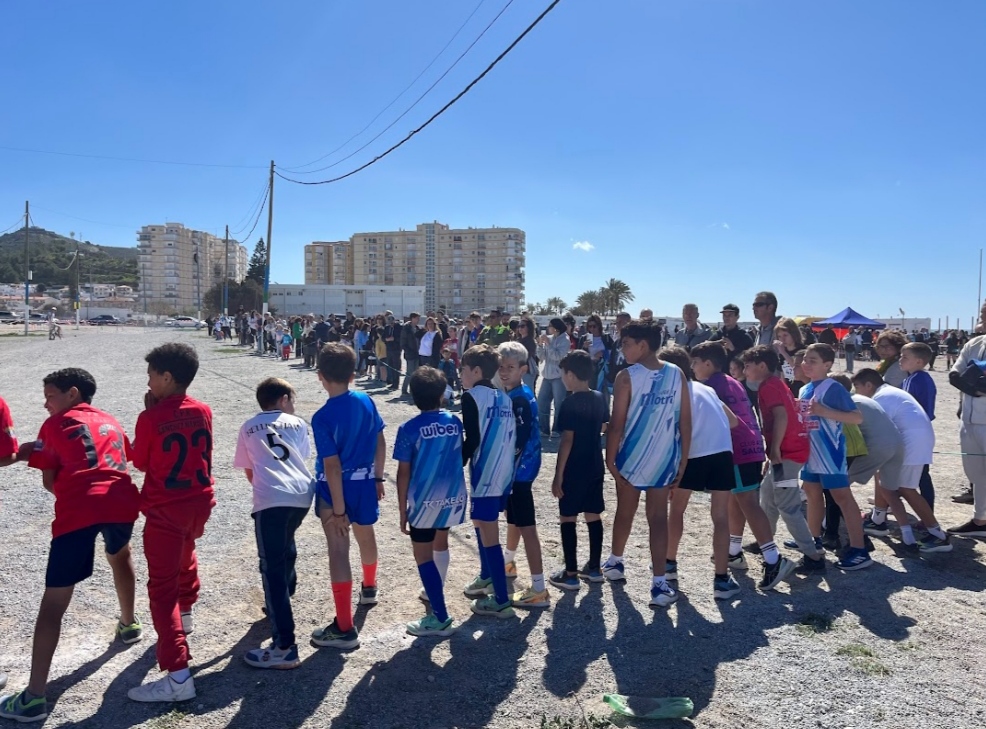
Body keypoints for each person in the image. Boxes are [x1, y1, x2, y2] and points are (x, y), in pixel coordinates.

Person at [0, 370, 141, 722]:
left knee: (54, 601)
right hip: (123, 501)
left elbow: (50, 481)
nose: (45, 403)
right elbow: (123, 458)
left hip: (80, 507)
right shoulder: (110, 420)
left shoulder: (54, 425)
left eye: (50, 395)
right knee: (120, 554)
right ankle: (129, 623)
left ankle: (34, 697)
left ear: (72, 393)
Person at [126, 344, 215, 703]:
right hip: (199, 502)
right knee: (186, 554)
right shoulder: (203, 409)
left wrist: (150, 417)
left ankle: (178, 677)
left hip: (166, 508)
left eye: (151, 375)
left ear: (166, 377)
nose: (148, 382)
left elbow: (141, 462)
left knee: (161, 590)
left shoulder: (150, 417)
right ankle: (186, 614)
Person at [689, 342, 796, 590]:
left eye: (695, 362)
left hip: (736, 451)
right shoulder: (733, 381)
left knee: (748, 503)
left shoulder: (710, 387)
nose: (692, 367)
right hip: (751, 447)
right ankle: (734, 551)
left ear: (707, 363)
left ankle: (774, 559)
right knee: (736, 500)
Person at [602, 321, 692, 608]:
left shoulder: (626, 376)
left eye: (626, 343)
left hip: (632, 457)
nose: (622, 348)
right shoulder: (677, 373)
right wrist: (683, 459)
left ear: (643, 345)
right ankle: (659, 583)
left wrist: (610, 458)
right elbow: (685, 421)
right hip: (665, 457)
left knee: (625, 511)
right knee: (658, 518)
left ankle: (615, 562)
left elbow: (617, 424)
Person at [233, 378, 314, 670]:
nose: (293, 405)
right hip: (303, 495)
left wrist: (266, 491)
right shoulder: (298, 423)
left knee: (272, 567)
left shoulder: (248, 426)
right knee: (285, 545)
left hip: (271, 498)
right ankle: (282, 601)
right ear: (283, 399)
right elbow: (299, 457)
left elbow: (250, 471)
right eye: (292, 399)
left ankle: (284, 647)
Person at [309, 344, 386, 650]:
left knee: (339, 550)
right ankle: (370, 587)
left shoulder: (322, 417)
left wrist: (338, 510)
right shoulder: (366, 400)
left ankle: (344, 627)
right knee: (366, 536)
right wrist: (378, 476)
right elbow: (380, 440)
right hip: (365, 482)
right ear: (353, 375)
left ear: (320, 376)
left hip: (335, 490)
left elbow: (332, 466)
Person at [739, 346, 826, 573]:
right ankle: (765, 541)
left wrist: (775, 449)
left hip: (787, 454)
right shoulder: (775, 383)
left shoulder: (769, 386)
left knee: (787, 506)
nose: (744, 371)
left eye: (747, 366)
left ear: (762, 366)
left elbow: (781, 416)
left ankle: (813, 556)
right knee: (768, 497)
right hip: (787, 452)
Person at [393, 367, 466, 637]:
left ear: (413, 396)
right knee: (441, 542)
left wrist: (402, 510)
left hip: (424, 503)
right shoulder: (454, 422)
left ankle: (440, 616)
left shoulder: (408, 429)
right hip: (452, 497)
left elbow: (403, 473)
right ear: (441, 395)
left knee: (423, 556)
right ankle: (435, 590)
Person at [851, 369, 951, 553]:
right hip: (912, 440)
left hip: (912, 443)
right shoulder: (887, 393)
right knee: (883, 477)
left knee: (906, 488)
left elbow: (878, 431)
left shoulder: (881, 398)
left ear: (868, 385)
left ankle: (938, 535)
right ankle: (878, 520)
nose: (855, 392)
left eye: (857, 387)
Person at [797, 344, 872, 570]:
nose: (806, 364)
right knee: (812, 494)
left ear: (827, 364)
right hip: (811, 452)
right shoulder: (805, 388)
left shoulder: (834, 388)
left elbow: (857, 417)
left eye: (812, 360)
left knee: (842, 497)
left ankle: (859, 549)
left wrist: (824, 411)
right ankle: (814, 541)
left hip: (831, 452)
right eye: (805, 359)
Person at [459, 344, 517, 618]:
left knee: (490, 532)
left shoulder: (471, 397)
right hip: (503, 473)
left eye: (463, 369)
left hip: (486, 474)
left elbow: (472, 439)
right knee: (480, 522)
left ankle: (501, 600)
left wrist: (454, 464)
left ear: (476, 371)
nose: (460, 374)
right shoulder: (504, 398)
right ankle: (486, 575)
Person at [548, 351, 608, 589]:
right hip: (595, 464)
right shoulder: (599, 397)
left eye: (563, 374)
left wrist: (558, 475)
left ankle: (571, 572)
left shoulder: (569, 403)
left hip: (574, 467)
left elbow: (567, 440)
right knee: (593, 514)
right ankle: (594, 568)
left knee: (568, 516)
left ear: (571, 375)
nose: (563, 379)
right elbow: (604, 426)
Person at [496, 342, 548, 609]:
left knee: (527, 527)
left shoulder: (519, 398)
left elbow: (519, 439)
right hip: (518, 471)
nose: (504, 372)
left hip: (520, 471)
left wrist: (503, 463)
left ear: (523, 369)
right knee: (514, 518)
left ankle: (539, 588)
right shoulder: (517, 392)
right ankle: (508, 562)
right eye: (501, 366)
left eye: (510, 367)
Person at [899, 342, 937, 508]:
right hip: (923, 430)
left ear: (919, 362)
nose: (900, 360)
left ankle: (927, 514)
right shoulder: (924, 379)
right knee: (922, 474)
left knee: (916, 475)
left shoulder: (913, 380)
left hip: (912, 433)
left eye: (905, 357)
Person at [536, 318, 571, 439]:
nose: (548, 328)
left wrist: (549, 344)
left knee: (558, 404)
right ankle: (544, 428)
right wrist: (540, 345)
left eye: (550, 326)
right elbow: (541, 356)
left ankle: (557, 429)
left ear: (556, 328)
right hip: (547, 375)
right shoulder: (549, 338)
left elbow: (557, 356)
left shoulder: (565, 340)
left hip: (559, 376)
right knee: (542, 402)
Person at [400, 313, 421, 396]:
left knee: (416, 373)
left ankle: (412, 389)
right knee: (409, 372)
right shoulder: (406, 328)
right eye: (417, 318)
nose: (418, 320)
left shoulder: (418, 328)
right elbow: (403, 342)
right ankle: (404, 389)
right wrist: (408, 351)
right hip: (410, 354)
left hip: (417, 353)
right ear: (412, 318)